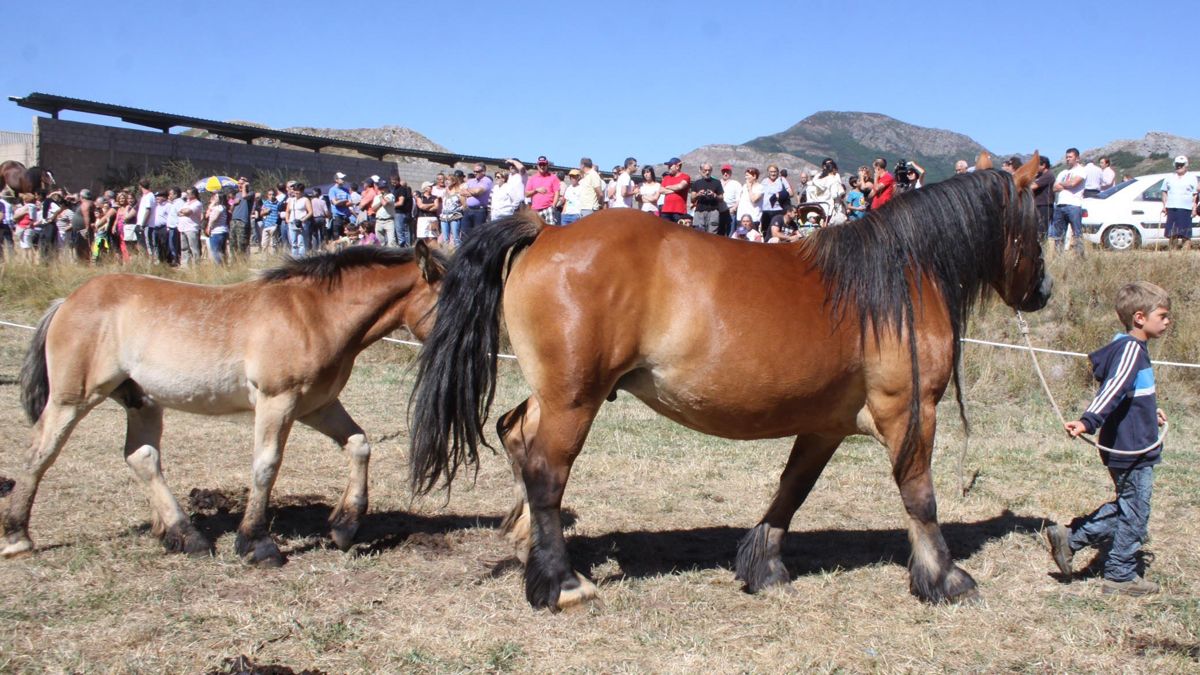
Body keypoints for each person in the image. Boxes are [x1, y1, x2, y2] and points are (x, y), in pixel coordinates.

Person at [1044, 282, 1171, 597]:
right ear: (1139, 318)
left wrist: (1148, 410)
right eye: (1163, 315)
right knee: (1136, 513)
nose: (1168, 321)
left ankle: (1070, 538)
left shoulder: (1129, 347)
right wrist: (1088, 421)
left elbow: (1129, 393)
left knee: (1130, 507)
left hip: (1133, 441)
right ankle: (1119, 575)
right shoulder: (1130, 349)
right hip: (1131, 449)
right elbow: (1113, 390)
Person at [1050, 147, 1088, 256]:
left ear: (1077, 158)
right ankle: (1058, 257)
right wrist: (1066, 184)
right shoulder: (1063, 172)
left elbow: (1074, 183)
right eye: (1066, 157)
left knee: (1077, 233)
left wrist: (1062, 184)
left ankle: (1079, 257)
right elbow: (1054, 188)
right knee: (1058, 234)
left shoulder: (1081, 170)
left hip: (1074, 205)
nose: (1068, 159)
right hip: (1060, 205)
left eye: (1070, 157)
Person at [1160, 155, 1197, 250]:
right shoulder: (1169, 178)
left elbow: (1195, 195)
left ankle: (1185, 253)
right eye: (1177, 164)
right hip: (1172, 208)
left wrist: (1194, 208)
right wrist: (1164, 206)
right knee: (1172, 233)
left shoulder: (1192, 178)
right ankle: (1173, 252)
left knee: (1186, 234)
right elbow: (1164, 192)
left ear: (1186, 165)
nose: (1179, 166)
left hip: (1186, 209)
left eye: (1181, 164)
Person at [461, 162, 493, 241]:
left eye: (478, 171)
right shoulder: (471, 181)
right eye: (474, 171)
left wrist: (469, 191)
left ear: (483, 171)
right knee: (465, 234)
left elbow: (478, 191)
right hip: (468, 210)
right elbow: (461, 192)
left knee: (478, 235)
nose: (475, 173)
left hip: (480, 211)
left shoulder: (486, 181)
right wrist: (473, 192)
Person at [525, 156, 561, 225]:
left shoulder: (553, 177)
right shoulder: (532, 178)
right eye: (540, 164)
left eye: (544, 164)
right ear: (537, 166)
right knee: (535, 232)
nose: (542, 166)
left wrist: (553, 205)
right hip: (535, 210)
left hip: (548, 208)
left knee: (551, 231)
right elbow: (526, 194)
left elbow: (557, 192)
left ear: (547, 165)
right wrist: (536, 190)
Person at [690, 163, 724, 234]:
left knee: (712, 234)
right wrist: (698, 194)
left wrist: (715, 195)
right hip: (699, 211)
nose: (707, 172)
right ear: (700, 170)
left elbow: (721, 198)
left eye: (709, 170)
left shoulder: (717, 182)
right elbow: (692, 199)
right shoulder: (696, 183)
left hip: (713, 212)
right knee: (698, 234)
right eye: (705, 170)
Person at [176, 188, 204, 266]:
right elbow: (179, 212)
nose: (187, 195)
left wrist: (184, 212)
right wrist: (184, 212)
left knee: (194, 249)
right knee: (184, 248)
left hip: (192, 228)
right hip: (183, 228)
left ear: (194, 194)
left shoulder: (197, 203)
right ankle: (185, 266)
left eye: (188, 193)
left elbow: (188, 212)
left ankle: (196, 266)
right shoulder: (186, 203)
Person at [659, 157, 690, 223]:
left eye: (670, 165)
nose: (668, 167)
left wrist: (667, 187)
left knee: (678, 231)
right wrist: (675, 190)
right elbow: (661, 190)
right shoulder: (666, 178)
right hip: (666, 210)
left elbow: (680, 186)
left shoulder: (685, 177)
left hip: (679, 211)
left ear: (677, 166)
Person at [229, 177, 253, 259]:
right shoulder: (236, 195)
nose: (239, 185)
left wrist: (244, 187)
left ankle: (242, 263)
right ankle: (233, 263)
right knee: (232, 244)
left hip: (243, 221)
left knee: (242, 245)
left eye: (242, 184)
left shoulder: (250, 193)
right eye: (238, 183)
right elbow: (231, 209)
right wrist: (233, 203)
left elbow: (244, 196)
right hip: (234, 221)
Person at [439, 171, 465, 246]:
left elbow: (464, 205)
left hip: (454, 216)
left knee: (456, 238)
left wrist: (457, 210)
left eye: (448, 180)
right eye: (446, 180)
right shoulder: (444, 192)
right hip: (444, 216)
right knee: (445, 239)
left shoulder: (459, 192)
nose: (446, 182)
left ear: (453, 181)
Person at [1031, 156, 1054, 241]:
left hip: (1045, 206)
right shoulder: (1039, 176)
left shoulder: (1048, 175)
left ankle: (1042, 252)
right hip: (1037, 205)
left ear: (1043, 165)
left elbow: (1033, 186)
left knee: (1042, 231)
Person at [759, 165, 787, 232]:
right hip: (765, 210)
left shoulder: (782, 180)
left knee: (777, 230)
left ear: (778, 172)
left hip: (778, 210)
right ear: (768, 172)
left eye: (775, 171)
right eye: (771, 172)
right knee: (765, 231)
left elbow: (790, 193)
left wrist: (779, 194)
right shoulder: (764, 181)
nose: (773, 173)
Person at [205, 192, 230, 264]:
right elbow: (208, 212)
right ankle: (223, 266)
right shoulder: (223, 207)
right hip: (222, 231)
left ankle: (218, 268)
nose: (214, 198)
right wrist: (212, 203)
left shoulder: (218, 208)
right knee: (222, 251)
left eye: (216, 197)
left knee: (216, 252)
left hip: (217, 232)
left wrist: (209, 226)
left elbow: (213, 218)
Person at [719, 164, 740, 237]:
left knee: (730, 233)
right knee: (719, 232)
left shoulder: (735, 183)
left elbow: (739, 198)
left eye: (727, 171)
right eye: (724, 171)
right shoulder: (717, 182)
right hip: (719, 211)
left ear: (730, 173)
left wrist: (734, 208)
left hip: (730, 211)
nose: (725, 173)